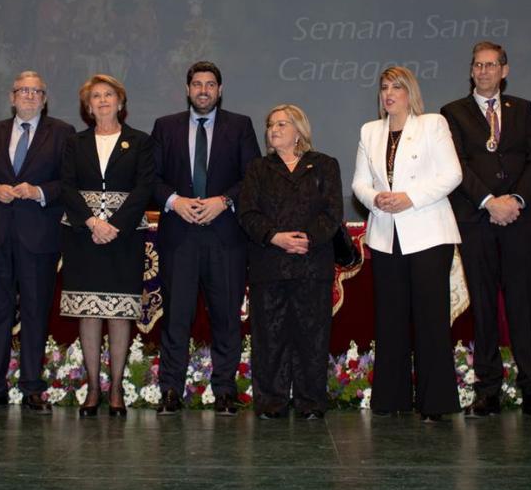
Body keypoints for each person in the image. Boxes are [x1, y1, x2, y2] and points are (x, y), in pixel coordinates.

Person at [440, 42, 531, 418]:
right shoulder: (452, 112)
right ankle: (487, 389)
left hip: (519, 222)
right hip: (477, 221)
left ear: (504, 70)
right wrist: (490, 201)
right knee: (485, 306)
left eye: (491, 65)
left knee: (522, 305)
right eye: (478, 65)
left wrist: (516, 200)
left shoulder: (522, 109)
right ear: (471, 71)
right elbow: (456, 165)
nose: (484, 71)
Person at [352, 66, 462, 422]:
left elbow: (452, 174)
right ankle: (391, 398)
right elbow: (359, 183)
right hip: (386, 235)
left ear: (409, 91)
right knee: (390, 319)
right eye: (384, 87)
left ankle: (436, 403)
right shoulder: (370, 131)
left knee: (430, 319)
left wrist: (409, 197)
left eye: (396, 87)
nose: (388, 93)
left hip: (429, 233)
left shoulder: (432, 124)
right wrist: (376, 198)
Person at [151, 61, 260, 416]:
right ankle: (170, 390)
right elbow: (150, 178)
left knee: (227, 317)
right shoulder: (165, 127)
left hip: (225, 239)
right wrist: (174, 201)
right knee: (176, 318)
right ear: (187, 90)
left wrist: (223, 201)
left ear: (220, 89)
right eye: (197, 84)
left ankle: (225, 390)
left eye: (210, 84)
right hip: (179, 238)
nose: (203, 90)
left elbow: (253, 178)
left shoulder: (240, 126)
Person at [0, 71, 74, 415]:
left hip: (39, 238)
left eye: (36, 91)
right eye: (23, 90)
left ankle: (32, 387)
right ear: (12, 97)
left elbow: (69, 183)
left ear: (45, 99)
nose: (29, 95)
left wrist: (40, 191)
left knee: (34, 313)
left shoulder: (62, 133)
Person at [237, 105, 342, 420]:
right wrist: (275, 237)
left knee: (312, 337)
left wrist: (306, 238)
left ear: (299, 130)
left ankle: (311, 402)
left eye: (282, 123)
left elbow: (333, 212)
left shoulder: (324, 165)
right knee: (269, 337)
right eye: (270, 124)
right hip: (269, 265)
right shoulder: (258, 168)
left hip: (312, 264)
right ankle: (272, 402)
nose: (274, 129)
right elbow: (248, 214)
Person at [59, 74, 154, 417]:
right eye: (95, 96)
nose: (102, 101)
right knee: (89, 310)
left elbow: (144, 188)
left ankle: (115, 388)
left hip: (124, 236)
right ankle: (93, 388)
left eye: (108, 95)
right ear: (87, 106)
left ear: (121, 101)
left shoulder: (140, 141)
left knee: (118, 310)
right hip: (83, 234)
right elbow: (66, 187)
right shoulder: (74, 142)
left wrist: (114, 224)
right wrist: (92, 222)